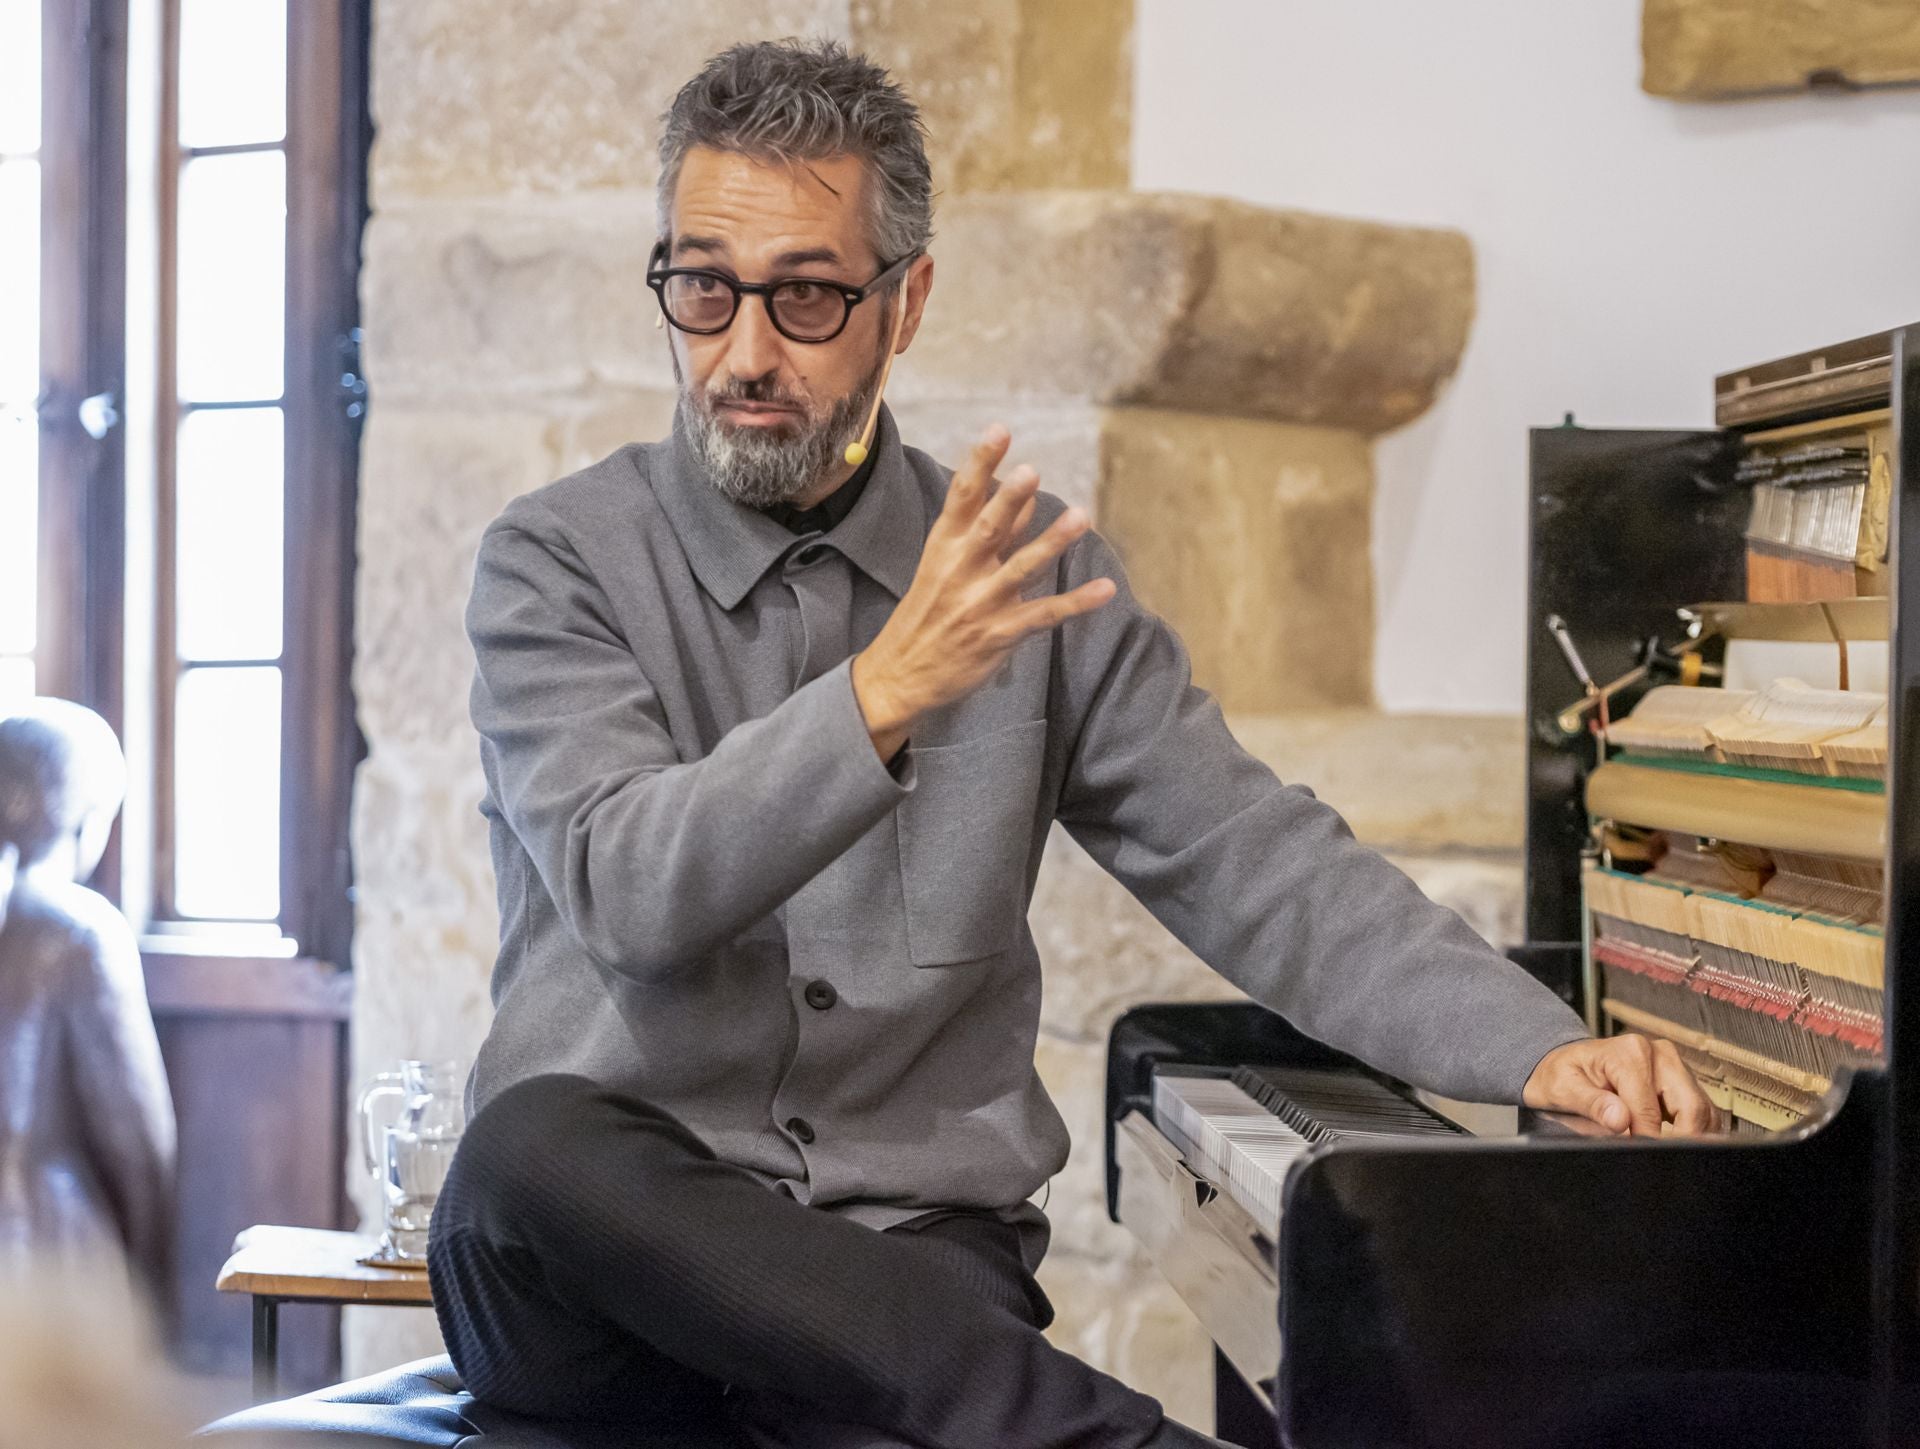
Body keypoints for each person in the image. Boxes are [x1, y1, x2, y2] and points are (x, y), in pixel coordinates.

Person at [430, 37, 1714, 1448]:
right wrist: (881, 693)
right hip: (594, 1289)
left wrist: (1534, 1048)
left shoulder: (1030, 578)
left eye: (803, 296)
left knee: (885, 1350)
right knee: (530, 1149)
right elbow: (627, 887)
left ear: (904, 303)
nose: (742, 352)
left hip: (907, 1256)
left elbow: (1254, 859)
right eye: (702, 288)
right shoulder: (552, 563)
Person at [0, 699, 176, 1304]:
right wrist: (154, 1286)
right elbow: (138, 1141)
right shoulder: (79, 929)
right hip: (48, 1255)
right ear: (84, 817)